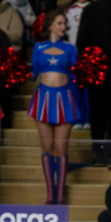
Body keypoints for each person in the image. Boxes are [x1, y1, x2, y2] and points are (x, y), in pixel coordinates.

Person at [31, 13, 83, 203]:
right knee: (47, 150)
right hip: (43, 99)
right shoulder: (38, 47)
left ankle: (60, 195)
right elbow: (33, 74)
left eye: (65, 23)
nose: (63, 26)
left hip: (64, 99)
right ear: (50, 25)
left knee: (60, 149)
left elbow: (77, 76)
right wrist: (15, 71)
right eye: (60, 23)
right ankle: (49, 193)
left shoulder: (70, 48)